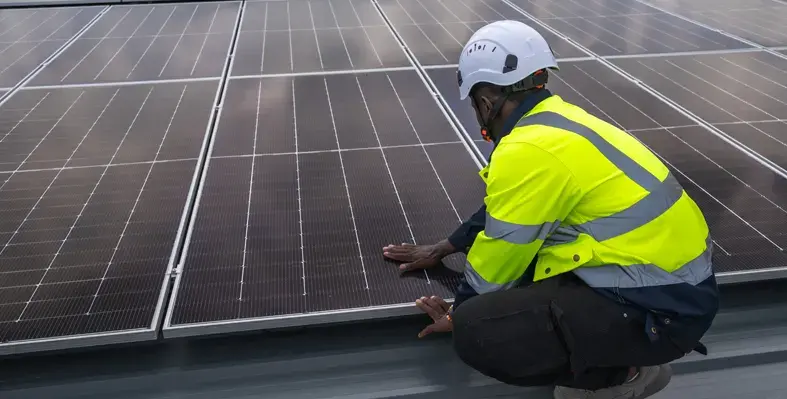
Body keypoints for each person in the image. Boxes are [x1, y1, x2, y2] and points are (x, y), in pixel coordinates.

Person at [382, 20, 719, 399]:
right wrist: (445, 247)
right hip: (676, 290)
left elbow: (499, 257)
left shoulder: (528, 149)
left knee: (480, 329)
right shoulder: (562, 124)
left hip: (661, 309)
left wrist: (457, 313)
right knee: (530, 274)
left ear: (487, 102)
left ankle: (626, 375)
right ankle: (626, 351)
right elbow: (510, 210)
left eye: (476, 104)